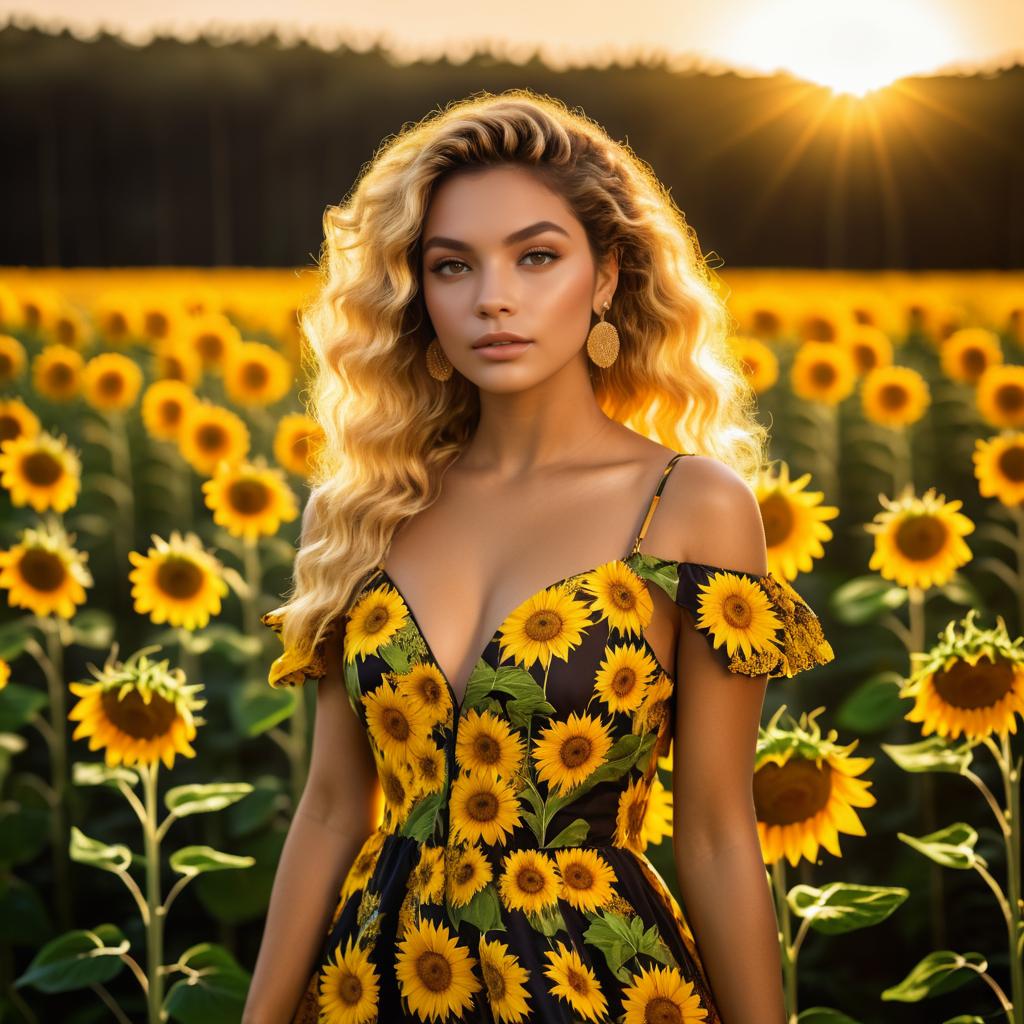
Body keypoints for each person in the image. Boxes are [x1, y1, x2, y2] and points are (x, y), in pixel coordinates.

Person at [243, 89, 834, 1024]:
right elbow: (327, 810)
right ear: (416, 291)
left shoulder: (689, 508)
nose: (494, 299)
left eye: (537, 256)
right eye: (452, 266)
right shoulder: (360, 510)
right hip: (378, 982)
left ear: (605, 278)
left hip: (595, 983)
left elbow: (718, 833)